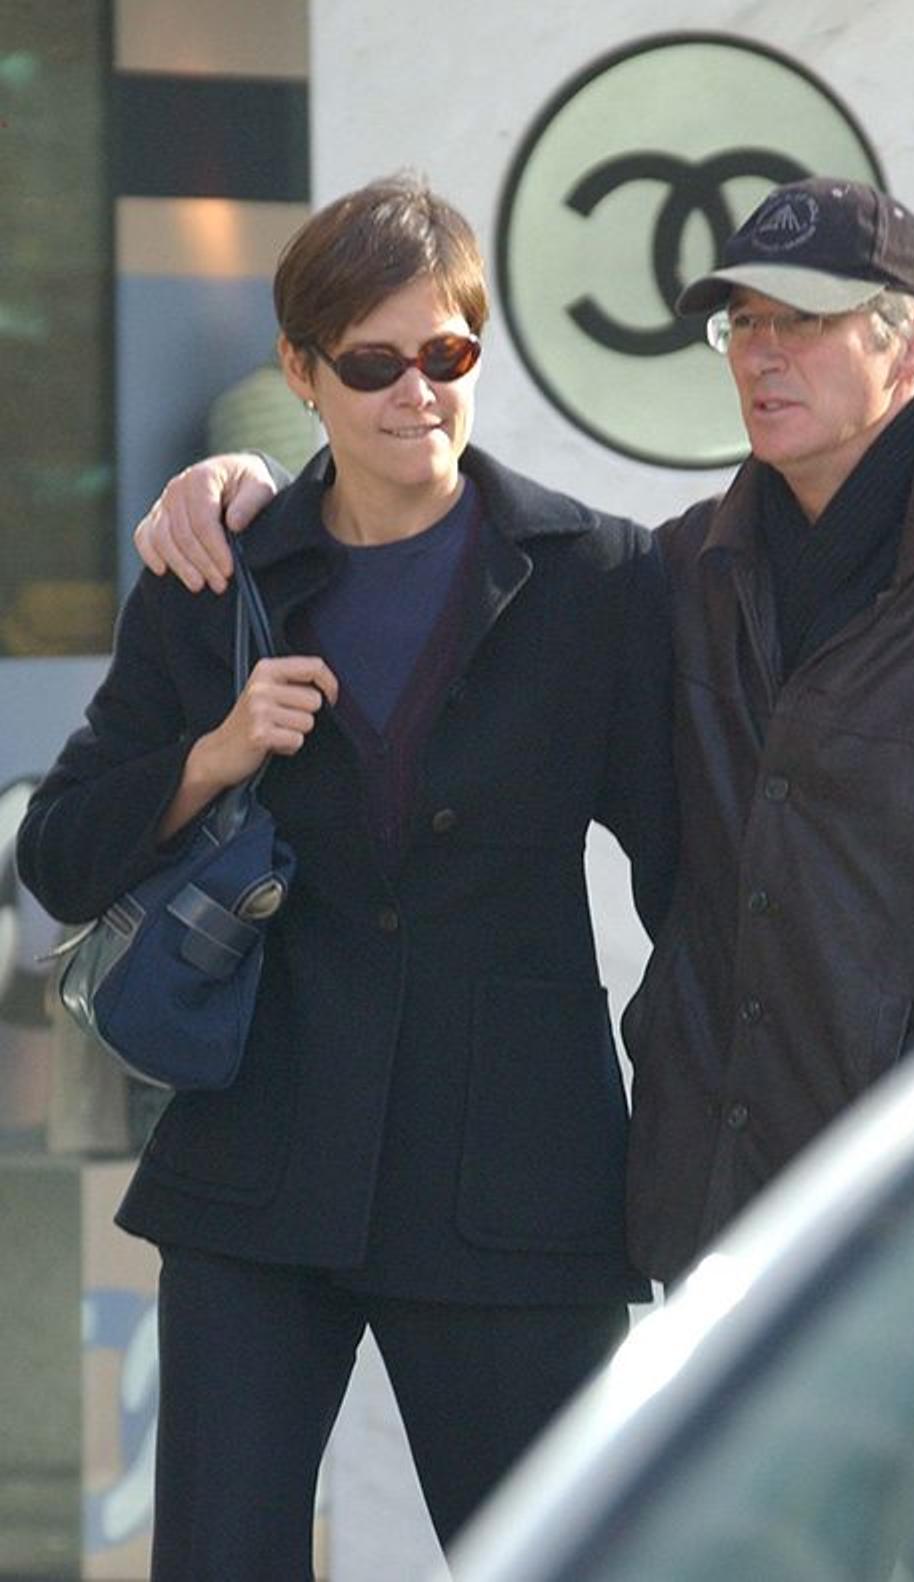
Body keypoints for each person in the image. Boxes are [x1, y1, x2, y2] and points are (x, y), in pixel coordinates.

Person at [131, 175, 914, 1297]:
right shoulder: (679, 575)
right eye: (743, 323)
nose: (761, 354)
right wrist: (239, 487)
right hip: (721, 1220)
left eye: (806, 320)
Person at [17, 175, 676, 1578]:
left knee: (567, 1557)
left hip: (516, 1179)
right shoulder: (217, 575)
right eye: (371, 362)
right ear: (302, 373)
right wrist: (212, 753)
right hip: (257, 1171)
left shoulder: (599, 581)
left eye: (446, 355)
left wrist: (695, 1143)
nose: (415, 392)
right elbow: (58, 855)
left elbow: (693, 876)